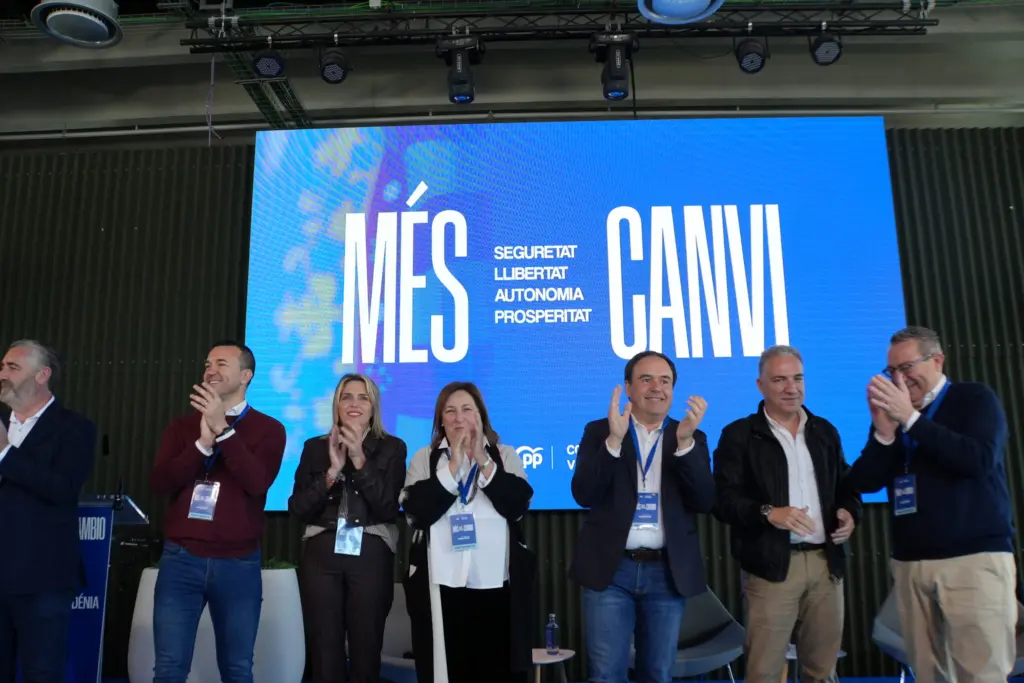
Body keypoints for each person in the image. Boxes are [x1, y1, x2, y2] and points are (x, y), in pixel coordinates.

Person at [848, 326, 1017, 683]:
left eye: (907, 367)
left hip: (972, 561)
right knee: (928, 675)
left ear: (937, 360)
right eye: (891, 371)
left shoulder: (973, 399)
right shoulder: (895, 416)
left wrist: (910, 420)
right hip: (911, 564)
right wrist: (884, 433)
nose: (899, 378)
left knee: (981, 674)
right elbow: (865, 481)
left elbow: (977, 460)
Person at [713, 345, 861, 683]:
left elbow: (847, 487)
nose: (791, 388)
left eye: (797, 378)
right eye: (780, 380)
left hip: (826, 565)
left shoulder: (824, 431)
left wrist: (849, 512)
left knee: (822, 671)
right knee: (764, 672)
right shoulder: (739, 435)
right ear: (760, 385)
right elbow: (722, 500)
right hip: (771, 569)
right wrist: (768, 512)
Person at [570, 350, 716, 683]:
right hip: (611, 571)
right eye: (646, 379)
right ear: (628, 388)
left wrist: (685, 444)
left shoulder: (690, 435)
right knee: (606, 675)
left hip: (666, 572)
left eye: (665, 381)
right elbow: (583, 494)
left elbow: (705, 501)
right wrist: (614, 440)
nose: (656, 388)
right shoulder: (600, 431)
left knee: (657, 674)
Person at [149, 341, 286, 683]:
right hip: (181, 560)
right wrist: (200, 446)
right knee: (168, 668)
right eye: (207, 363)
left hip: (238, 563)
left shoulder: (270, 429)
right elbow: (161, 483)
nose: (210, 370)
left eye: (221, 364)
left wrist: (223, 432)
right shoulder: (181, 427)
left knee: (237, 668)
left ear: (245, 376)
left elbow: (257, 483)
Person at [400, 382, 535, 683]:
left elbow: (518, 504)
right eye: (450, 411)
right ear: (441, 420)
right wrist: (452, 468)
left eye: (466, 410)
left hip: (497, 584)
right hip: (440, 585)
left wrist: (483, 462)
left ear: (481, 416)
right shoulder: (425, 458)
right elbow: (414, 512)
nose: (458, 418)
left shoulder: (504, 455)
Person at [288, 373, 407, 683]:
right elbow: (297, 508)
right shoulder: (315, 447)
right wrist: (331, 473)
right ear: (337, 405)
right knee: (324, 649)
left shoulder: (393, 448)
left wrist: (358, 459)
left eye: (363, 397)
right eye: (347, 397)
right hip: (322, 552)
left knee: (366, 648)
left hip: (370, 552)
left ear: (373, 406)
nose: (354, 403)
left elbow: (388, 508)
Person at [0, 340, 96, 683]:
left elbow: (62, 489)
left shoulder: (75, 428)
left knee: (42, 672)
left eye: (12, 368)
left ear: (42, 375)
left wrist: (5, 453)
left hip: (42, 578)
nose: (2, 374)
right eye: (2, 367)